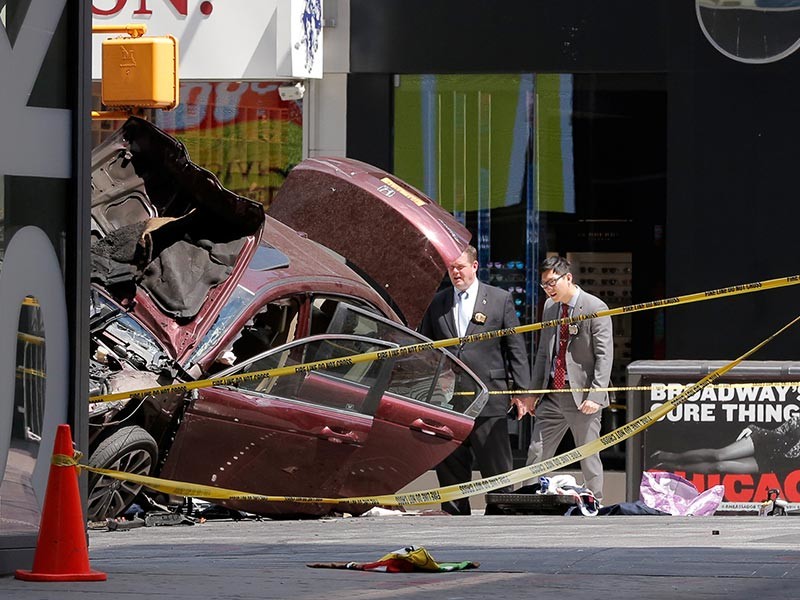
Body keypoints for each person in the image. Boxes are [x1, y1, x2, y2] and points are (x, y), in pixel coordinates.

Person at [419, 245, 534, 515]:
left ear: (474, 266)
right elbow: (427, 349)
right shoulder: (438, 302)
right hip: (448, 400)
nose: (455, 272)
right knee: (450, 467)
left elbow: (515, 349)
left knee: (496, 469)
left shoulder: (499, 299)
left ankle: (502, 515)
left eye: (460, 267)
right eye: (451, 268)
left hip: (489, 396)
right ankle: (454, 516)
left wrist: (522, 392)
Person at [522, 256, 613, 503]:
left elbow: (605, 356)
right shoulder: (550, 308)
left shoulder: (595, 307)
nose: (548, 289)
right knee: (537, 450)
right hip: (552, 392)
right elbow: (543, 353)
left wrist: (596, 395)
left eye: (552, 282)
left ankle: (594, 501)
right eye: (544, 285)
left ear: (568, 278)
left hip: (582, 396)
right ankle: (529, 499)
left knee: (588, 453)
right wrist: (532, 393)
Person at [651, 415, 800, 474]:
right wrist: (754, 429)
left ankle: (672, 467)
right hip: (765, 442)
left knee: (719, 467)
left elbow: (794, 456)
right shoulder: (798, 419)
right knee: (719, 455)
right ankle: (670, 456)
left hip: (774, 462)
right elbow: (778, 432)